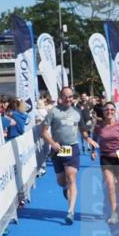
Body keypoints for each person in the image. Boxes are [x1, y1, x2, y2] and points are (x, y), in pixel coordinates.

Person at [42, 87, 95, 225]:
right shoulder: (53, 111)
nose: (68, 99)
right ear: (61, 97)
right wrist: (52, 143)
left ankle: (70, 211)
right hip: (58, 150)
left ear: (73, 97)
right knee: (61, 181)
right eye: (65, 96)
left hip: (72, 148)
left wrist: (88, 139)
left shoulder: (77, 112)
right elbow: (44, 131)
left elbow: (83, 130)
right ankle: (65, 188)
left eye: (70, 96)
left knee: (72, 179)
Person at [91, 102, 119, 224]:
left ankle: (116, 184)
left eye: (112, 109)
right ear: (103, 112)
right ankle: (114, 213)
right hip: (105, 157)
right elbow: (94, 140)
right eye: (107, 109)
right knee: (110, 185)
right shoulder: (99, 127)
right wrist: (93, 151)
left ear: (115, 111)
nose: (109, 111)